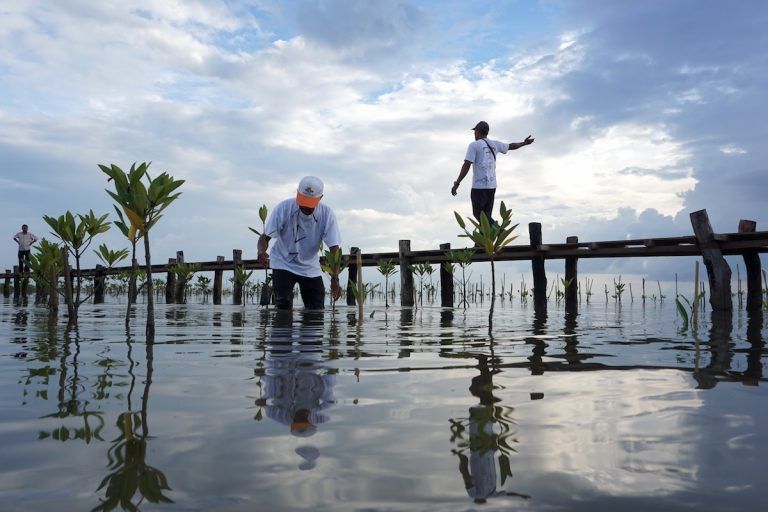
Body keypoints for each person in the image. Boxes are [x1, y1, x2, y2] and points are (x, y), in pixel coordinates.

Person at [257, 176, 342, 310]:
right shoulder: (284, 208)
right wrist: (261, 252)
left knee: (316, 308)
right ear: (297, 193)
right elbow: (265, 237)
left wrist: (335, 278)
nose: (306, 207)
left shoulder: (327, 214)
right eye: (303, 201)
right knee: (283, 305)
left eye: (310, 203)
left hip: (310, 267)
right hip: (283, 262)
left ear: (320, 198)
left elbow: (334, 249)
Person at [451, 121, 534, 225]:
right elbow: (511, 146)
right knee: (486, 216)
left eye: (475, 131)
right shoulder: (495, 144)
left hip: (479, 187)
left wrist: (457, 183)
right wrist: (524, 143)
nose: (474, 134)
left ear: (478, 132)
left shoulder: (473, 145)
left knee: (479, 215)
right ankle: (487, 236)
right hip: (492, 187)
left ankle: (498, 229)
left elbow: (466, 164)